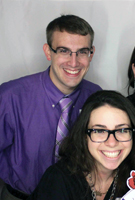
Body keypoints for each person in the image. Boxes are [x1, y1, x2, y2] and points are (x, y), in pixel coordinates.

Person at [0, 15, 102, 199]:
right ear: (48, 52)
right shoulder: (10, 96)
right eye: (64, 51)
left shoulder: (96, 97)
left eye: (82, 52)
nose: (73, 62)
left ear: (91, 54)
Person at [28, 90, 135, 200]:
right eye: (99, 131)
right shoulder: (58, 179)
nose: (112, 142)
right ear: (84, 135)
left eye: (122, 130)